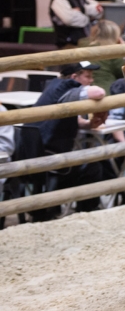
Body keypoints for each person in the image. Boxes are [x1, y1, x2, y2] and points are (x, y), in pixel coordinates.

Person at [20, 61, 108, 220]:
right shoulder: (66, 87)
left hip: (32, 154)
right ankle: (86, 215)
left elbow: (72, 120)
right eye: (88, 76)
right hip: (49, 158)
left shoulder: (53, 86)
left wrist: (89, 124)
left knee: (89, 163)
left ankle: (50, 208)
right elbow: (99, 93)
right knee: (93, 166)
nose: (91, 80)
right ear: (74, 77)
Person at [81, 20, 125, 94]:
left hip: (85, 92)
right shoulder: (113, 52)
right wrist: (124, 50)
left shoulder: (84, 48)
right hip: (106, 92)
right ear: (116, 36)